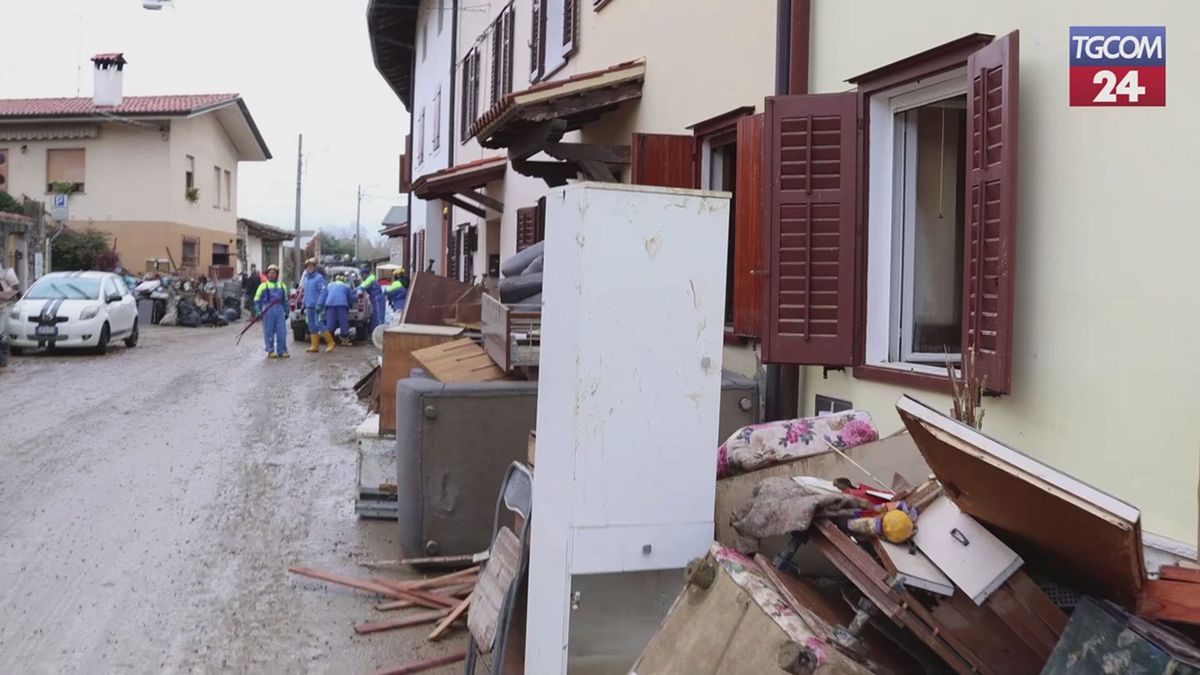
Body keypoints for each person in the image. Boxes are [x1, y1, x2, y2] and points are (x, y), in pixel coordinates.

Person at [254, 264, 289, 358]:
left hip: (279, 309)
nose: (272, 275)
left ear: (277, 274)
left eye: (273, 273)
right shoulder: (262, 286)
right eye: (270, 273)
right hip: (268, 310)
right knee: (268, 331)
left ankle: (282, 350)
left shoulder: (282, 285)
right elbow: (257, 300)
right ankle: (270, 350)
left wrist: (287, 311)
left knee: (282, 331)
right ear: (267, 274)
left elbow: (285, 300)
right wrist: (258, 311)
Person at [301, 258, 334, 353]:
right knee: (311, 325)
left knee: (319, 323)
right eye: (308, 267)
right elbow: (305, 292)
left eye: (311, 266)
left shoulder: (319, 278)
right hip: (309, 305)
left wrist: (319, 304)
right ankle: (314, 346)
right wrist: (304, 303)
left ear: (314, 267)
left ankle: (330, 342)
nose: (309, 268)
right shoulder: (306, 278)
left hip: (317, 306)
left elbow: (323, 291)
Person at [325, 273, 355, 345]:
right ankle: (344, 339)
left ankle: (329, 339)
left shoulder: (329, 285)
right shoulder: (346, 286)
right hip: (342, 303)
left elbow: (325, 295)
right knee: (343, 321)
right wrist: (350, 305)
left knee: (330, 321)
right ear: (343, 280)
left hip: (330, 303)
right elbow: (350, 298)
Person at [358, 265, 385, 332]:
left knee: (378, 316)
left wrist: (351, 290)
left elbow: (362, 287)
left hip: (377, 298)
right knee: (375, 315)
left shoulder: (370, 279)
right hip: (375, 298)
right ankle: (374, 331)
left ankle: (380, 332)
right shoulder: (371, 278)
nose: (361, 277)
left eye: (362, 275)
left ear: (365, 274)